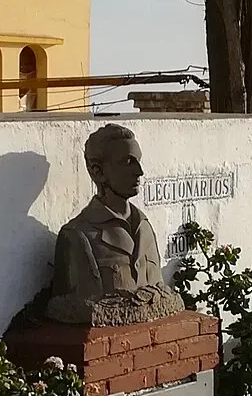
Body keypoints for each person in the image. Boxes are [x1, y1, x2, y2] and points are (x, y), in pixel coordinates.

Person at [47, 124, 183, 324]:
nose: (140, 171)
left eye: (138, 161)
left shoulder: (144, 226)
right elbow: (72, 305)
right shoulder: (77, 236)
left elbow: (158, 286)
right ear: (98, 171)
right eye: (128, 162)